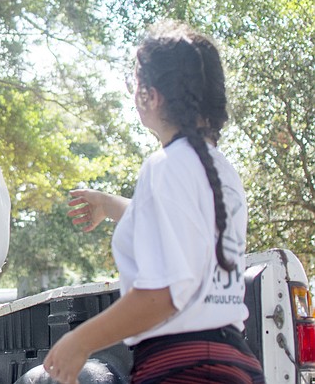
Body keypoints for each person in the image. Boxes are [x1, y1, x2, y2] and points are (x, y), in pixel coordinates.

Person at [42, 21, 265, 384]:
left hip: (184, 367)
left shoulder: (167, 167)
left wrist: (78, 341)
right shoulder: (220, 170)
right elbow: (179, 235)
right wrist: (107, 203)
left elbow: (163, 294)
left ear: (152, 95)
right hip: (236, 363)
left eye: (135, 84)